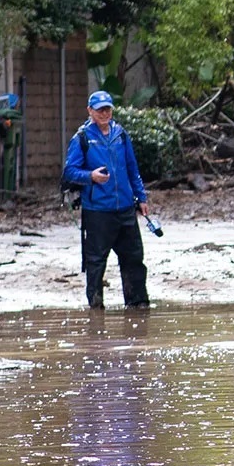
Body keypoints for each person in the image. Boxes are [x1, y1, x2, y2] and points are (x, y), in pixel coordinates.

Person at [64, 90, 149, 309]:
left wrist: (141, 197)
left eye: (107, 109)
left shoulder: (120, 134)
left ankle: (138, 304)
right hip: (98, 210)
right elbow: (69, 172)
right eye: (100, 109)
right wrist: (90, 176)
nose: (104, 113)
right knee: (96, 262)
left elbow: (132, 168)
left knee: (134, 259)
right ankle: (95, 307)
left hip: (125, 208)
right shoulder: (82, 138)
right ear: (90, 111)